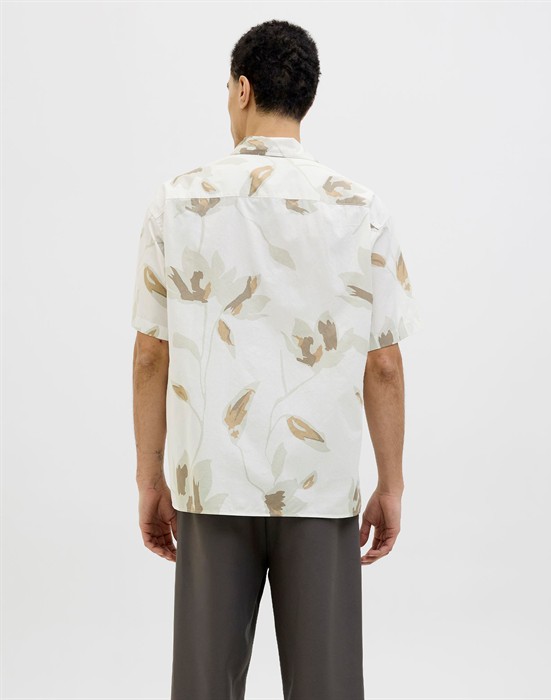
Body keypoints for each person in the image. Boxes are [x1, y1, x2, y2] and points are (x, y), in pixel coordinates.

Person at [131, 18, 423, 700]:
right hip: (319, 488)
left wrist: (150, 475)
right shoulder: (361, 209)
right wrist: (391, 484)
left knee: (204, 688)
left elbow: (150, 355)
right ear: (305, 99)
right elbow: (384, 365)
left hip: (211, 484)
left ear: (242, 89)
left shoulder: (176, 202)